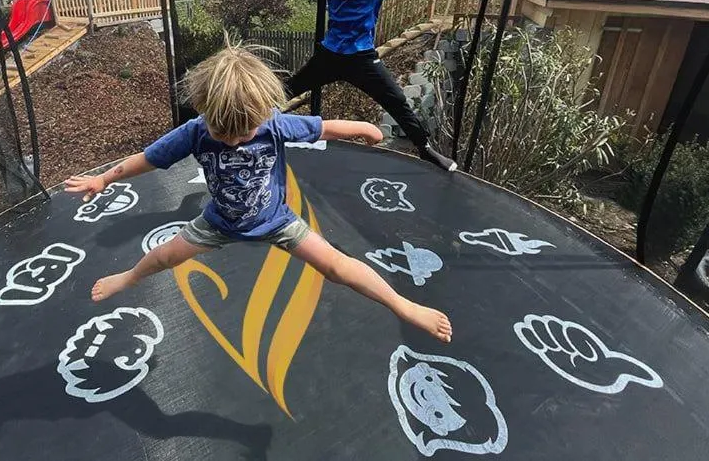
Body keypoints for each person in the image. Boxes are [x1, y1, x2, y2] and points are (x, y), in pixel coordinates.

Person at [64, 39, 453, 344]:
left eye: (243, 133)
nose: (234, 141)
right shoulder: (194, 132)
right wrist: (105, 179)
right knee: (165, 255)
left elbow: (323, 127)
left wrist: (362, 128)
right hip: (219, 222)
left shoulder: (273, 124)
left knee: (336, 265)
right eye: (223, 134)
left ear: (261, 113)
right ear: (203, 111)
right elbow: (148, 159)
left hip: (276, 220)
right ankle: (129, 277)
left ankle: (403, 305)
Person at [243, 0, 483, 170]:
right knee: (286, 90)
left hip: (362, 58)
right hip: (330, 55)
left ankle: (425, 149)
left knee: (397, 101)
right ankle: (243, 124)